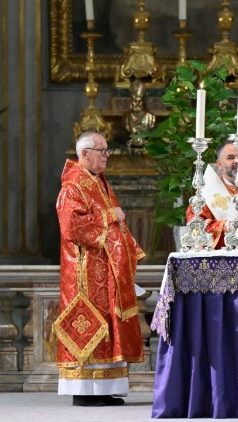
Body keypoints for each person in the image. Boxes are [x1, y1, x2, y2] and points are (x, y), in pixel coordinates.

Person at [54, 132, 144, 406]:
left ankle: (102, 389)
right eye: (102, 150)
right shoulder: (73, 186)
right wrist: (109, 215)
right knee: (89, 325)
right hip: (84, 273)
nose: (107, 155)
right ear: (84, 154)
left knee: (108, 326)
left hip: (105, 271)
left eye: (107, 150)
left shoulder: (97, 181)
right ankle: (84, 391)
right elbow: (71, 227)